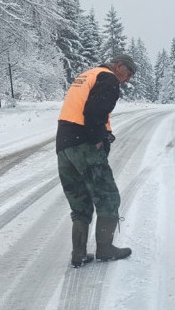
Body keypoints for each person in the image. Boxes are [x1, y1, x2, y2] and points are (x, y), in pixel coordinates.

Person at [56, 54, 136, 267]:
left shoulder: (87, 75)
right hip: (84, 144)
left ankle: (79, 254)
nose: (126, 80)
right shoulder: (108, 78)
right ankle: (105, 249)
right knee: (108, 196)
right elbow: (93, 111)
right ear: (118, 66)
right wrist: (97, 139)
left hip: (64, 145)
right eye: (128, 73)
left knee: (79, 200)